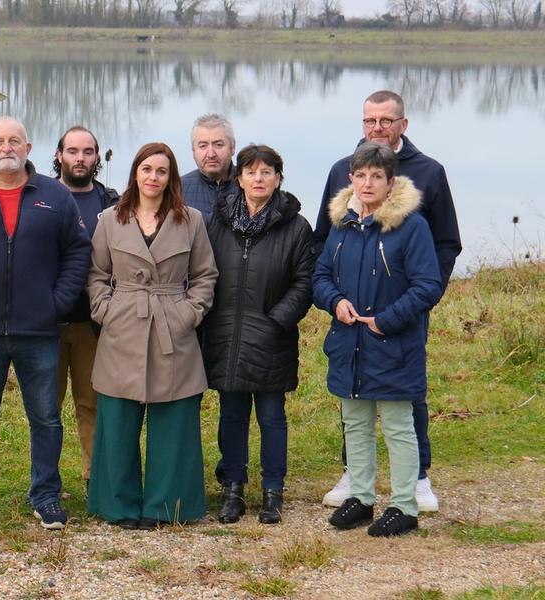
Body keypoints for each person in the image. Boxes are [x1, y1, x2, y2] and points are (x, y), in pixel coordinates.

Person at [313, 90, 461, 512]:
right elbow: (325, 245)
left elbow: (446, 242)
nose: (377, 127)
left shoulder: (430, 172)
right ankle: (355, 479)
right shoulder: (343, 169)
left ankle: (416, 480)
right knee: (354, 396)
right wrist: (333, 299)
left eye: (386, 120)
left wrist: (420, 300)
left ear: (403, 124)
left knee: (405, 395)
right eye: (369, 120)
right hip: (351, 314)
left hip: (404, 308)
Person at [0, 116, 90, 530]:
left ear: (28, 149)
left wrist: (58, 303)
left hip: (40, 330)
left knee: (46, 416)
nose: (6, 147)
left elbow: (77, 253)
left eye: (15, 140)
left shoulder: (55, 197)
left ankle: (45, 494)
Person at [86, 142, 218, 530]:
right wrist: (106, 310)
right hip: (122, 323)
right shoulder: (110, 218)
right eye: (146, 169)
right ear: (135, 173)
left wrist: (188, 314)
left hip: (171, 323)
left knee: (173, 419)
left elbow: (205, 275)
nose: (153, 177)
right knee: (117, 419)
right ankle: (118, 505)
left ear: (170, 177)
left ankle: (167, 505)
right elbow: (95, 275)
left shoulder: (190, 219)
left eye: (161, 171)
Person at [201, 145, 314, 525]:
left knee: (271, 416)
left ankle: (272, 491)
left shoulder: (296, 227)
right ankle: (233, 489)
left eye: (267, 172)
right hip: (226, 334)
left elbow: (304, 281)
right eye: (251, 172)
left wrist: (277, 320)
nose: (259, 179)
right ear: (239, 178)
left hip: (270, 336)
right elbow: (203, 270)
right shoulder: (218, 221)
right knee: (231, 415)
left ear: (278, 179)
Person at [52, 125, 119, 485]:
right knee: (47, 408)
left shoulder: (112, 202)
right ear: (59, 155)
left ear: (97, 157)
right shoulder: (42, 197)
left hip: (94, 322)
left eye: (88, 152)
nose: (80, 158)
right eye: (73, 151)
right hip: (47, 322)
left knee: (91, 403)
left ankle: (96, 479)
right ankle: (46, 482)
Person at [180, 114, 236, 221]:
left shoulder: (252, 186)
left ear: (233, 147)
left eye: (218, 145)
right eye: (203, 146)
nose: (211, 154)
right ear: (193, 150)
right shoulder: (177, 189)